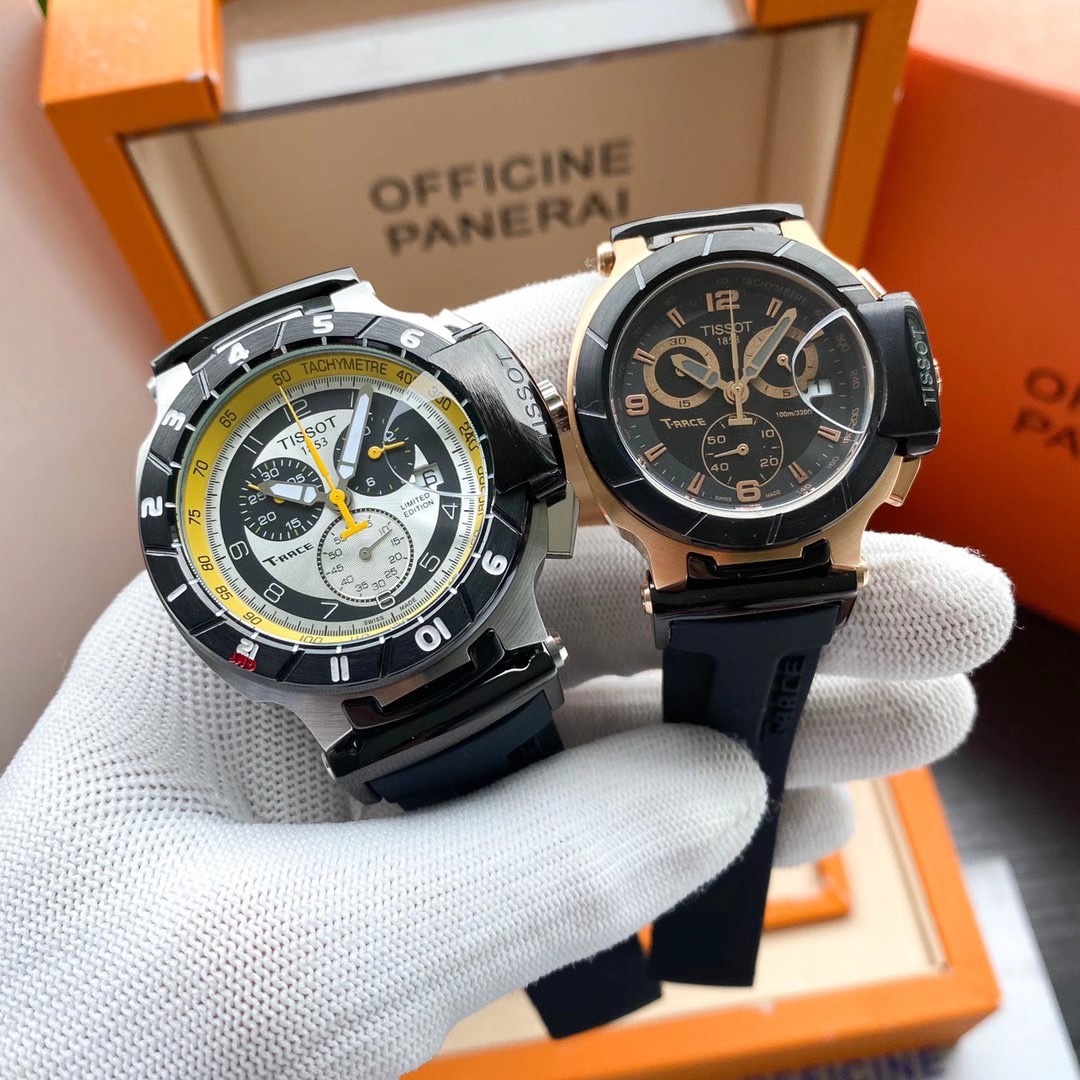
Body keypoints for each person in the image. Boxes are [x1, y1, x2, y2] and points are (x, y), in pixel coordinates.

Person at [0, 278, 1014, 1079]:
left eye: (379, 465)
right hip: (373, 704)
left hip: (471, 643)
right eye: (291, 507)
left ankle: (606, 994)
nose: (348, 511)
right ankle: (598, 995)